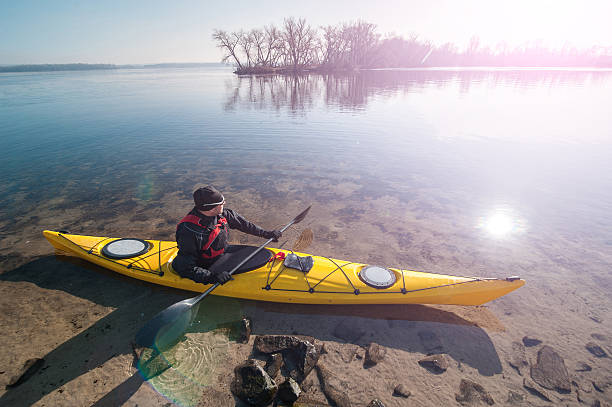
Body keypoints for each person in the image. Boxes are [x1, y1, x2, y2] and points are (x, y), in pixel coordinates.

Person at [172, 185, 282, 285]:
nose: (224, 203)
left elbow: (245, 225)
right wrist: (212, 277)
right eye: (222, 203)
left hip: (223, 253)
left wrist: (267, 234)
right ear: (212, 208)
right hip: (204, 265)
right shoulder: (188, 231)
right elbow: (185, 267)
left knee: (263, 254)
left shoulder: (222, 214)